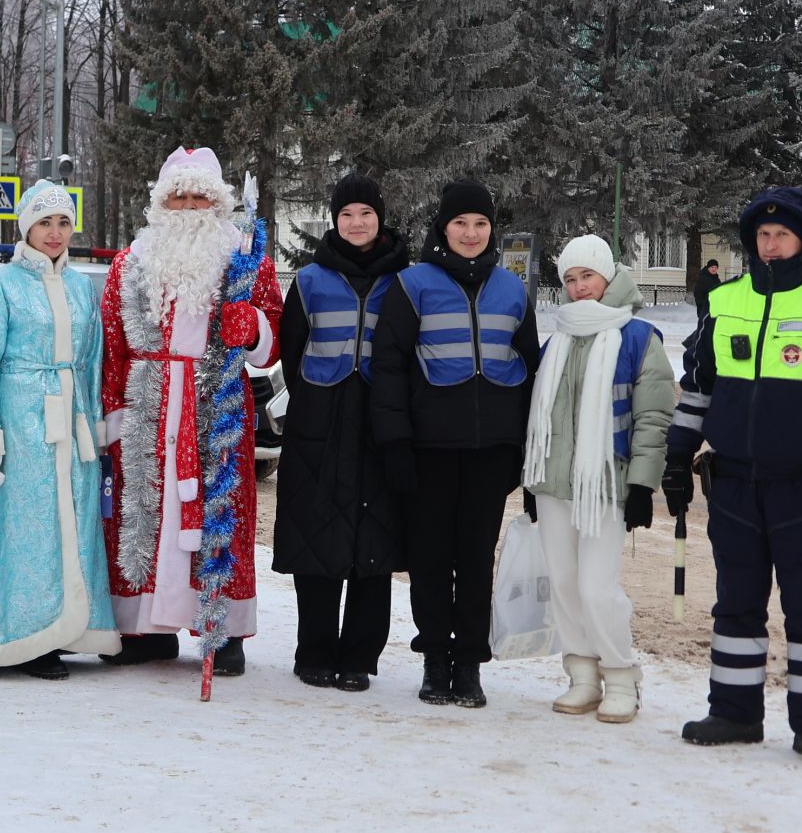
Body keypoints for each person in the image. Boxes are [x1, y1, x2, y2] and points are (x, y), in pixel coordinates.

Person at [662, 186, 802, 767]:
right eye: (762, 236)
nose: (770, 244)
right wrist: (675, 459)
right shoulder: (723, 299)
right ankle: (734, 713)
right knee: (735, 603)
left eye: (782, 235)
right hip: (733, 482)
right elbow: (698, 388)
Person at [100, 147, 282, 674]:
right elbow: (113, 345)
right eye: (177, 195)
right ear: (161, 202)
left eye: (199, 194)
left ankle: (220, 628)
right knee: (146, 516)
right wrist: (113, 415)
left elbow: (273, 341)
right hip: (149, 404)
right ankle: (144, 628)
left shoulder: (244, 261)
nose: (188, 205)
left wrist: (252, 327)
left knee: (219, 511)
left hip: (214, 401)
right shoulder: (130, 263)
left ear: (219, 201)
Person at [370, 178, 539, 709]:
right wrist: (395, 442)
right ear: (443, 227)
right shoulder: (412, 284)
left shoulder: (513, 289)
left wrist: (523, 449)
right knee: (429, 558)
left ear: (492, 230)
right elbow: (389, 369)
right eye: (461, 223)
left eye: (481, 224)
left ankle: (469, 665)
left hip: (492, 450)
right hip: (428, 450)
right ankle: (434, 660)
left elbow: (531, 371)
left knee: (474, 558)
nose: (471, 233)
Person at [0, 181, 119, 673]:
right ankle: (23, 637)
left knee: (71, 526)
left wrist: (93, 428)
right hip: (22, 421)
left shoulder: (83, 285)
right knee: (27, 528)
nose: (55, 232)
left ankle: (67, 630)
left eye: (63, 222)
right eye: (45, 223)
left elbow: (92, 362)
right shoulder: (0, 283)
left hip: (71, 419)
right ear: (27, 228)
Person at [521, 235, 676, 722]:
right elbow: (539, 417)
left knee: (596, 588)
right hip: (553, 484)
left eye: (587, 275)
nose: (578, 287)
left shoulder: (637, 338)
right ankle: (583, 674)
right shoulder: (557, 339)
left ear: (608, 276)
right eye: (569, 279)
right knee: (564, 583)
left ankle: (622, 676)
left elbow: (653, 419)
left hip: (607, 485)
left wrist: (642, 486)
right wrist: (531, 482)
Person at [271, 171, 410, 692]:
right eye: (347, 214)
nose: (356, 223)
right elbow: (291, 347)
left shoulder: (405, 279)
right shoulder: (308, 280)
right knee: (317, 536)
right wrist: (312, 401)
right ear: (335, 220)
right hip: (320, 419)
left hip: (382, 415)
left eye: (366, 214)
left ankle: (358, 656)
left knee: (374, 540)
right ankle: (314, 650)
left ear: (380, 219)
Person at [693, 258, 722, 322]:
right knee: (704, 328)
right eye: (712, 267)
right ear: (708, 268)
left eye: (716, 267)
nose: (714, 269)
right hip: (704, 310)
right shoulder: (703, 278)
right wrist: (703, 306)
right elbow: (698, 293)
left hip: (715, 310)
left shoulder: (717, 279)